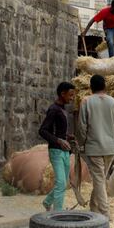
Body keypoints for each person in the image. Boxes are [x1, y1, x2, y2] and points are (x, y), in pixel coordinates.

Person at [77, 75, 114, 219]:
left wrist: (81, 144)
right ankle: (93, 208)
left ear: (90, 87)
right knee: (101, 179)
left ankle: (105, 213)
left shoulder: (86, 101)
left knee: (99, 180)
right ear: (104, 86)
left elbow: (82, 127)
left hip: (94, 147)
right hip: (111, 147)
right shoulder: (113, 101)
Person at [39, 82, 76, 211]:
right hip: (56, 151)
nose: (72, 98)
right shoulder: (53, 109)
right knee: (60, 183)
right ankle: (58, 214)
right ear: (62, 94)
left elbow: (58, 131)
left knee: (63, 183)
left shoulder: (62, 109)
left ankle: (47, 202)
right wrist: (59, 141)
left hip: (65, 151)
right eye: (70, 95)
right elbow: (43, 130)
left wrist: (67, 136)